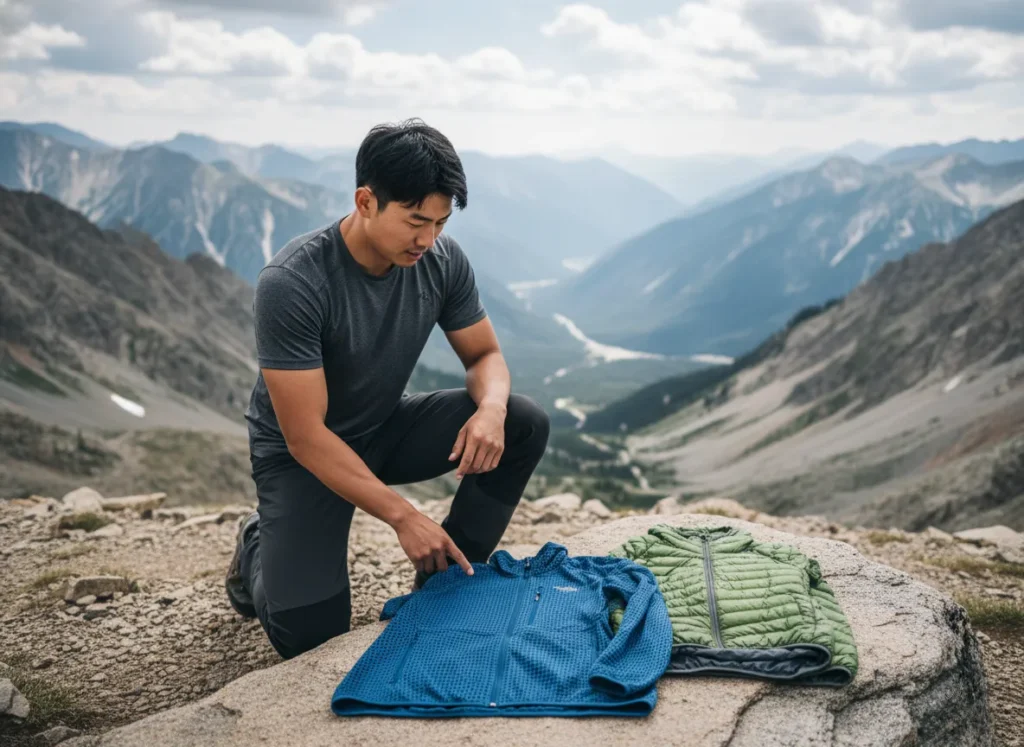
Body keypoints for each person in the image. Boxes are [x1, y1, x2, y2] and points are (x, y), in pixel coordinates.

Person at [225, 118, 551, 660]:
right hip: (301, 457)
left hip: (381, 428)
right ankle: (255, 543)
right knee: (310, 637)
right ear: (366, 201)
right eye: (416, 220)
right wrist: (404, 517)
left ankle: (446, 585)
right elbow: (305, 438)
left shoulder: (440, 261)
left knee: (522, 421)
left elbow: (485, 355)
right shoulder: (293, 282)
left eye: (441, 223)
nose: (428, 239)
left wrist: (491, 409)